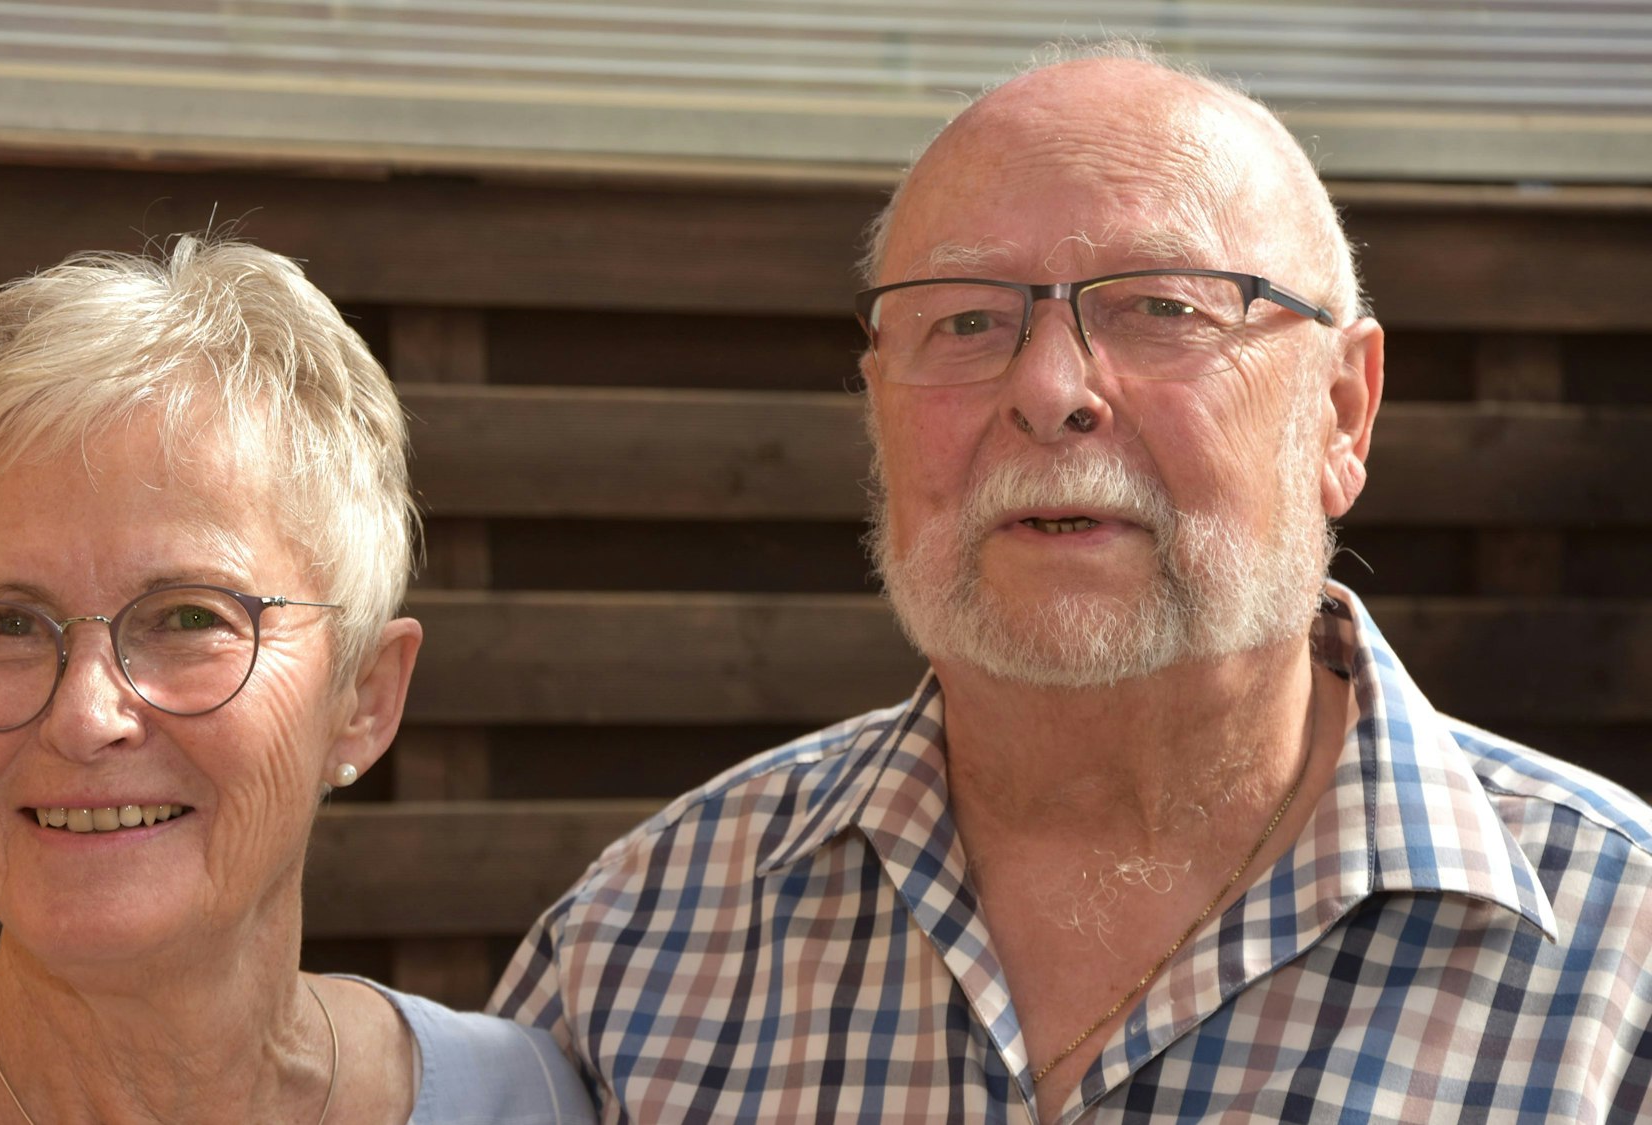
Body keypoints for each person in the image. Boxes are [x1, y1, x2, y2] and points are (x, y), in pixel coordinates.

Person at [493, 44, 1652, 1123]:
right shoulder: (637, 947)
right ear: (876, 410)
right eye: (961, 320)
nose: (1049, 390)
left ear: (1340, 412)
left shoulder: (1623, 959)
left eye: (1161, 307)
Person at [0, 238, 593, 1124]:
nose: (85, 715)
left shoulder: (532, 1099)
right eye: (9, 623)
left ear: (365, 698)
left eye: (189, 617)